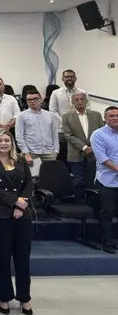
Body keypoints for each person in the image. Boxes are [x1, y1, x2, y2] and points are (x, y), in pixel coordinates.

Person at [0, 128, 34, 315]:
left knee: (22, 258)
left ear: (12, 142)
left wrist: (21, 205)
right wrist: (14, 202)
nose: (3, 144)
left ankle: (24, 297)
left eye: (7, 140)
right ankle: (4, 297)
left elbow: (28, 184)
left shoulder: (20, 160)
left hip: (22, 216)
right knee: (1, 259)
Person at [61, 92, 103, 202]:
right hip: (76, 153)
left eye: (82, 99)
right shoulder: (66, 116)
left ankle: (94, 204)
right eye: (77, 99)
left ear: (86, 101)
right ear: (72, 102)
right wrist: (84, 147)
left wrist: (93, 147)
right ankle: (79, 204)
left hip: (95, 152)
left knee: (94, 179)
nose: (79, 101)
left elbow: (101, 133)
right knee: (78, 180)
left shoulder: (97, 115)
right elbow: (68, 135)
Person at [91, 106, 118, 253]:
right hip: (107, 180)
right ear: (105, 118)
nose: (115, 118)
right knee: (107, 213)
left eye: (117, 115)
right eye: (111, 116)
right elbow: (103, 158)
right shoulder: (98, 134)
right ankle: (107, 242)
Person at [16, 91, 59, 167]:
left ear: (41, 100)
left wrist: (56, 151)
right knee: (34, 174)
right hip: (31, 154)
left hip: (49, 153)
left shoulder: (50, 115)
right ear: (27, 101)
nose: (32, 101)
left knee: (50, 174)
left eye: (35, 98)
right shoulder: (21, 116)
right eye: (29, 99)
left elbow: (54, 134)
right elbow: (19, 136)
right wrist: (26, 153)